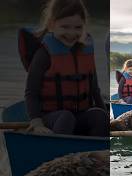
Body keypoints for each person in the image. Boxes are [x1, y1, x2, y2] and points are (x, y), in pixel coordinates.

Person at [24, 0, 107, 137]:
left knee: (99, 116)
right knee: (66, 117)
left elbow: (94, 90)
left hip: (80, 115)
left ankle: (97, 149)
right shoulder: (44, 54)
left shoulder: (86, 51)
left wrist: (105, 115)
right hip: (51, 118)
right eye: (65, 27)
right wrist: (36, 122)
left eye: (78, 27)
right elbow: (31, 92)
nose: (71, 33)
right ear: (51, 25)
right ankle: (58, 149)